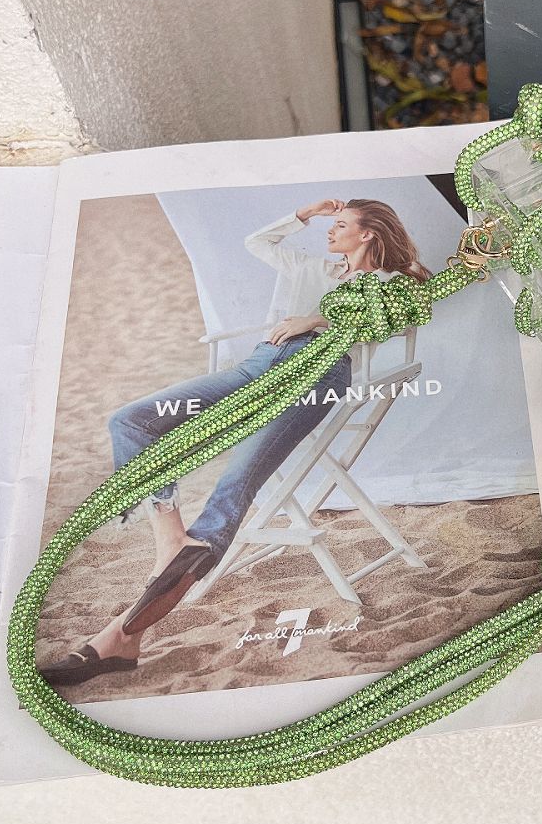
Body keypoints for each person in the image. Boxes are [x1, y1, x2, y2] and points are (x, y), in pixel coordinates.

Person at [41, 197, 429, 687]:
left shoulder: (391, 283)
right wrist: (303, 214)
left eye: (340, 224)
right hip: (258, 363)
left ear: (368, 233)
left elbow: (390, 316)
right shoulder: (311, 267)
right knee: (130, 421)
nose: (329, 232)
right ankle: (169, 539)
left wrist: (313, 321)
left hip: (316, 375)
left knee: (234, 485)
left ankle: (117, 639)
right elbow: (257, 242)